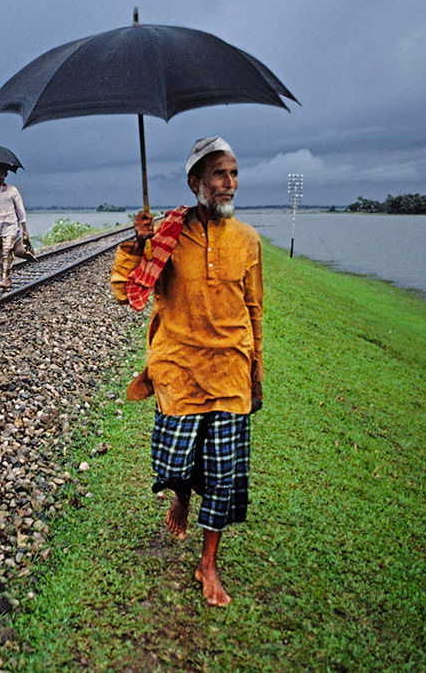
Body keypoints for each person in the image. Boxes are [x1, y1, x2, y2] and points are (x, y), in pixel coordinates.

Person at [110, 137, 264, 607]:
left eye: (234, 174)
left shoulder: (248, 240)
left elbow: (254, 309)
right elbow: (123, 291)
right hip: (178, 368)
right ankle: (180, 494)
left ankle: (208, 563)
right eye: (220, 174)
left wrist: (256, 373)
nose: (229, 184)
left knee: (223, 476)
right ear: (196, 182)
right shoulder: (167, 238)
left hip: (230, 370)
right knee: (174, 463)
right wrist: (139, 243)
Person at [0, 165, 31, 288]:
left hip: (11, 224)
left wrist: (24, 229)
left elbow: (20, 210)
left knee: (7, 250)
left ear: (5, 175)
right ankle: (6, 275)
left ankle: (6, 279)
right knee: (0, 251)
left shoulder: (12, 190)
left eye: (2, 174)